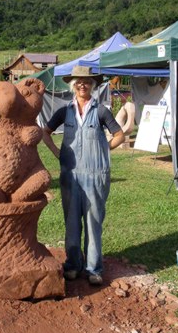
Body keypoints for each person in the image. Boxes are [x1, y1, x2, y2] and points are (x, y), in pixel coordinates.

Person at [42, 66, 124, 285]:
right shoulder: (64, 111)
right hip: (70, 175)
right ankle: (72, 265)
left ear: (93, 86)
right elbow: (45, 132)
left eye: (87, 82)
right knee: (71, 222)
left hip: (96, 174)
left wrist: (104, 149)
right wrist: (57, 153)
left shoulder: (101, 111)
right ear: (73, 85)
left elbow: (120, 135)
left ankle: (94, 268)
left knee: (93, 221)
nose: (82, 85)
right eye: (79, 82)